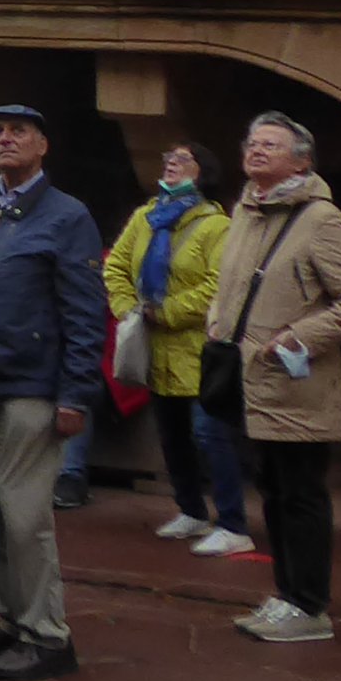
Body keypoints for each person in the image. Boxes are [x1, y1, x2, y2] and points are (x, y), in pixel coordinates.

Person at [0, 102, 106, 681]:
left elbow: (87, 311)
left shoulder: (66, 216)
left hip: (31, 384)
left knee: (24, 514)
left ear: (42, 146)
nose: (3, 139)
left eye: (17, 131)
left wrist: (75, 393)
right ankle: (15, 617)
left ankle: (48, 635)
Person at [208, 112, 341, 644]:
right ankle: (286, 595)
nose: (256, 150)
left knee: (301, 494)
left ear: (301, 161)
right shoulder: (246, 211)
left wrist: (295, 338)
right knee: (275, 491)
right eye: (253, 141)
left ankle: (308, 605)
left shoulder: (320, 220)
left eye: (272, 145)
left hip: (296, 385)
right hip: (254, 382)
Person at [103, 142, 254, 557]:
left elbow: (217, 286)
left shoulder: (216, 226)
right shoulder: (145, 217)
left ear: (202, 173)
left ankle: (233, 523)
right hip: (155, 349)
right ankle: (190, 510)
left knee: (210, 434)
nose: (171, 162)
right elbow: (115, 266)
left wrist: (165, 312)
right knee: (172, 435)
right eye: (167, 158)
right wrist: (127, 310)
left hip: (199, 348)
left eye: (183, 160)